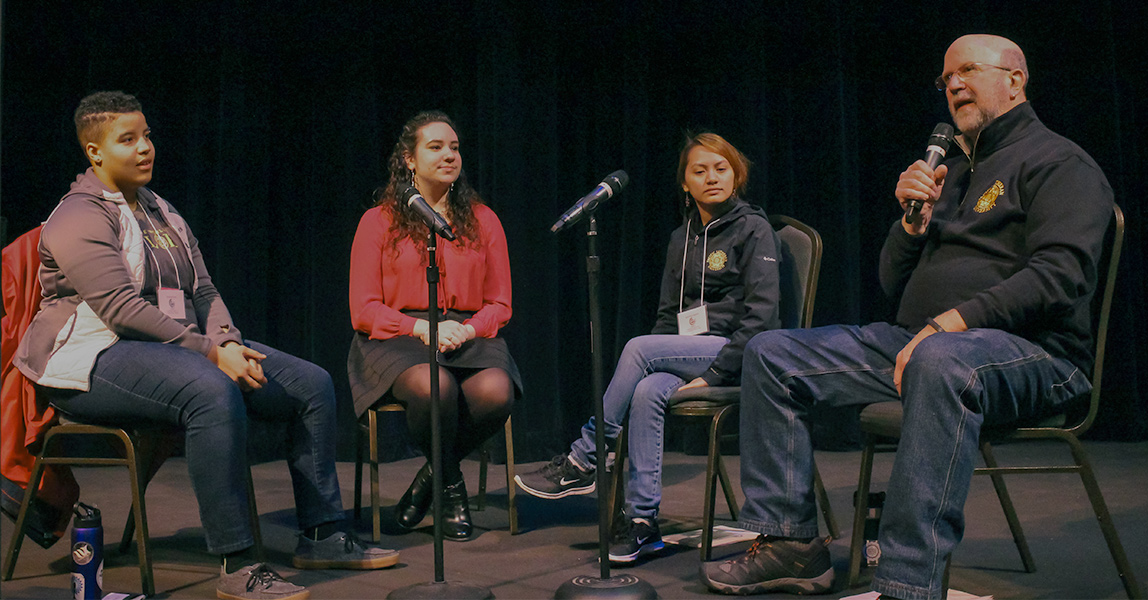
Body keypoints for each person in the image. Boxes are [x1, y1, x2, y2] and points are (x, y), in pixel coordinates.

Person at [700, 35, 1114, 599]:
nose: (954, 85)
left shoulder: (1060, 163)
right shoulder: (955, 172)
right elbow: (894, 287)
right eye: (946, 78)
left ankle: (906, 582)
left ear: (1015, 80)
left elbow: (1061, 277)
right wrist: (911, 227)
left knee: (942, 361)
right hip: (919, 343)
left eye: (968, 70)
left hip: (1035, 353)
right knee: (772, 354)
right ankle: (792, 545)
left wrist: (951, 323)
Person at [13, 91, 399, 600]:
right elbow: (120, 309)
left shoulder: (161, 211)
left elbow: (203, 291)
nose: (145, 147)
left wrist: (226, 340)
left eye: (146, 135)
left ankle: (323, 533)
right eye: (127, 140)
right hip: (89, 359)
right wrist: (210, 354)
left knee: (310, 384)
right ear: (94, 152)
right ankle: (238, 562)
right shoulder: (78, 216)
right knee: (211, 391)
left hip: (176, 350)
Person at [516, 133, 781, 564]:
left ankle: (585, 458)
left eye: (721, 168)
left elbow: (762, 320)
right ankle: (643, 524)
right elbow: (666, 320)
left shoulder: (754, 229)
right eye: (700, 170)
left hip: (737, 353)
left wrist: (713, 375)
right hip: (685, 353)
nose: (711, 177)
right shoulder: (682, 237)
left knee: (639, 348)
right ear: (684, 183)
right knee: (644, 389)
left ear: (737, 175)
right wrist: (671, 362)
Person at [348, 110, 521, 542]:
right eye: (436, 146)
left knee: (497, 392)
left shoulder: (483, 220)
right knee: (435, 387)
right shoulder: (377, 221)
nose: (449, 155)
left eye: (455, 147)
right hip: (396, 335)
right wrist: (419, 329)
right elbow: (363, 308)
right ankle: (451, 489)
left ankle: (429, 479)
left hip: (466, 332)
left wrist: (470, 329)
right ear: (409, 159)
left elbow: (500, 303)